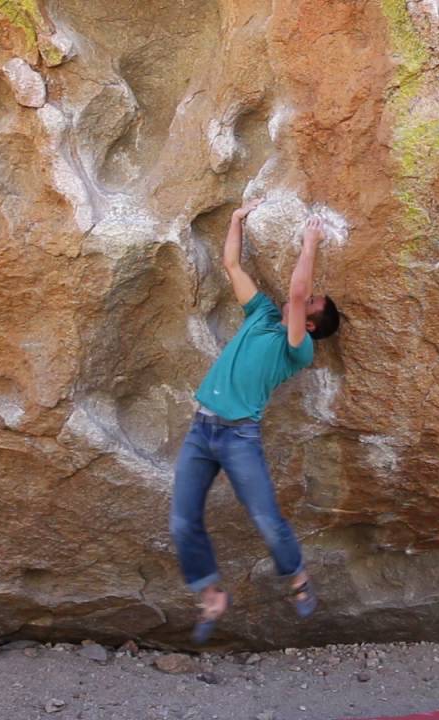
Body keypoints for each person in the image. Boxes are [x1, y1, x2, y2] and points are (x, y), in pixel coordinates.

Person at [169, 199, 341, 643]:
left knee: (267, 520)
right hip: (201, 429)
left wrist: (310, 244)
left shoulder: (296, 347)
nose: (299, 300)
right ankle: (210, 593)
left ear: (312, 325)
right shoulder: (262, 313)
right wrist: (234, 220)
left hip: (238, 437)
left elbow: (300, 294)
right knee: (182, 521)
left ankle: (298, 578)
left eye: (311, 306)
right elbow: (230, 264)